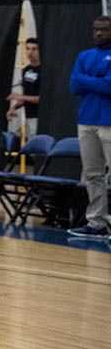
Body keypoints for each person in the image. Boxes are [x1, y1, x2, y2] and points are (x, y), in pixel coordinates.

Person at [67, 15, 111, 239]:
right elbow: (74, 85)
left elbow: (109, 86)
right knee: (93, 175)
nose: (99, 34)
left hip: (109, 122)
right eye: (96, 30)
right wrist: (98, 81)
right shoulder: (84, 55)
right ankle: (96, 223)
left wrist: (87, 80)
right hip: (86, 121)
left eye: (104, 30)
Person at [8, 37, 42, 132]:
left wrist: (20, 97)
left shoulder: (43, 70)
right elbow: (26, 95)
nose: (30, 52)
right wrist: (14, 108)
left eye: (34, 49)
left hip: (39, 116)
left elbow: (42, 98)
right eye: (27, 48)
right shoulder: (26, 70)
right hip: (28, 115)